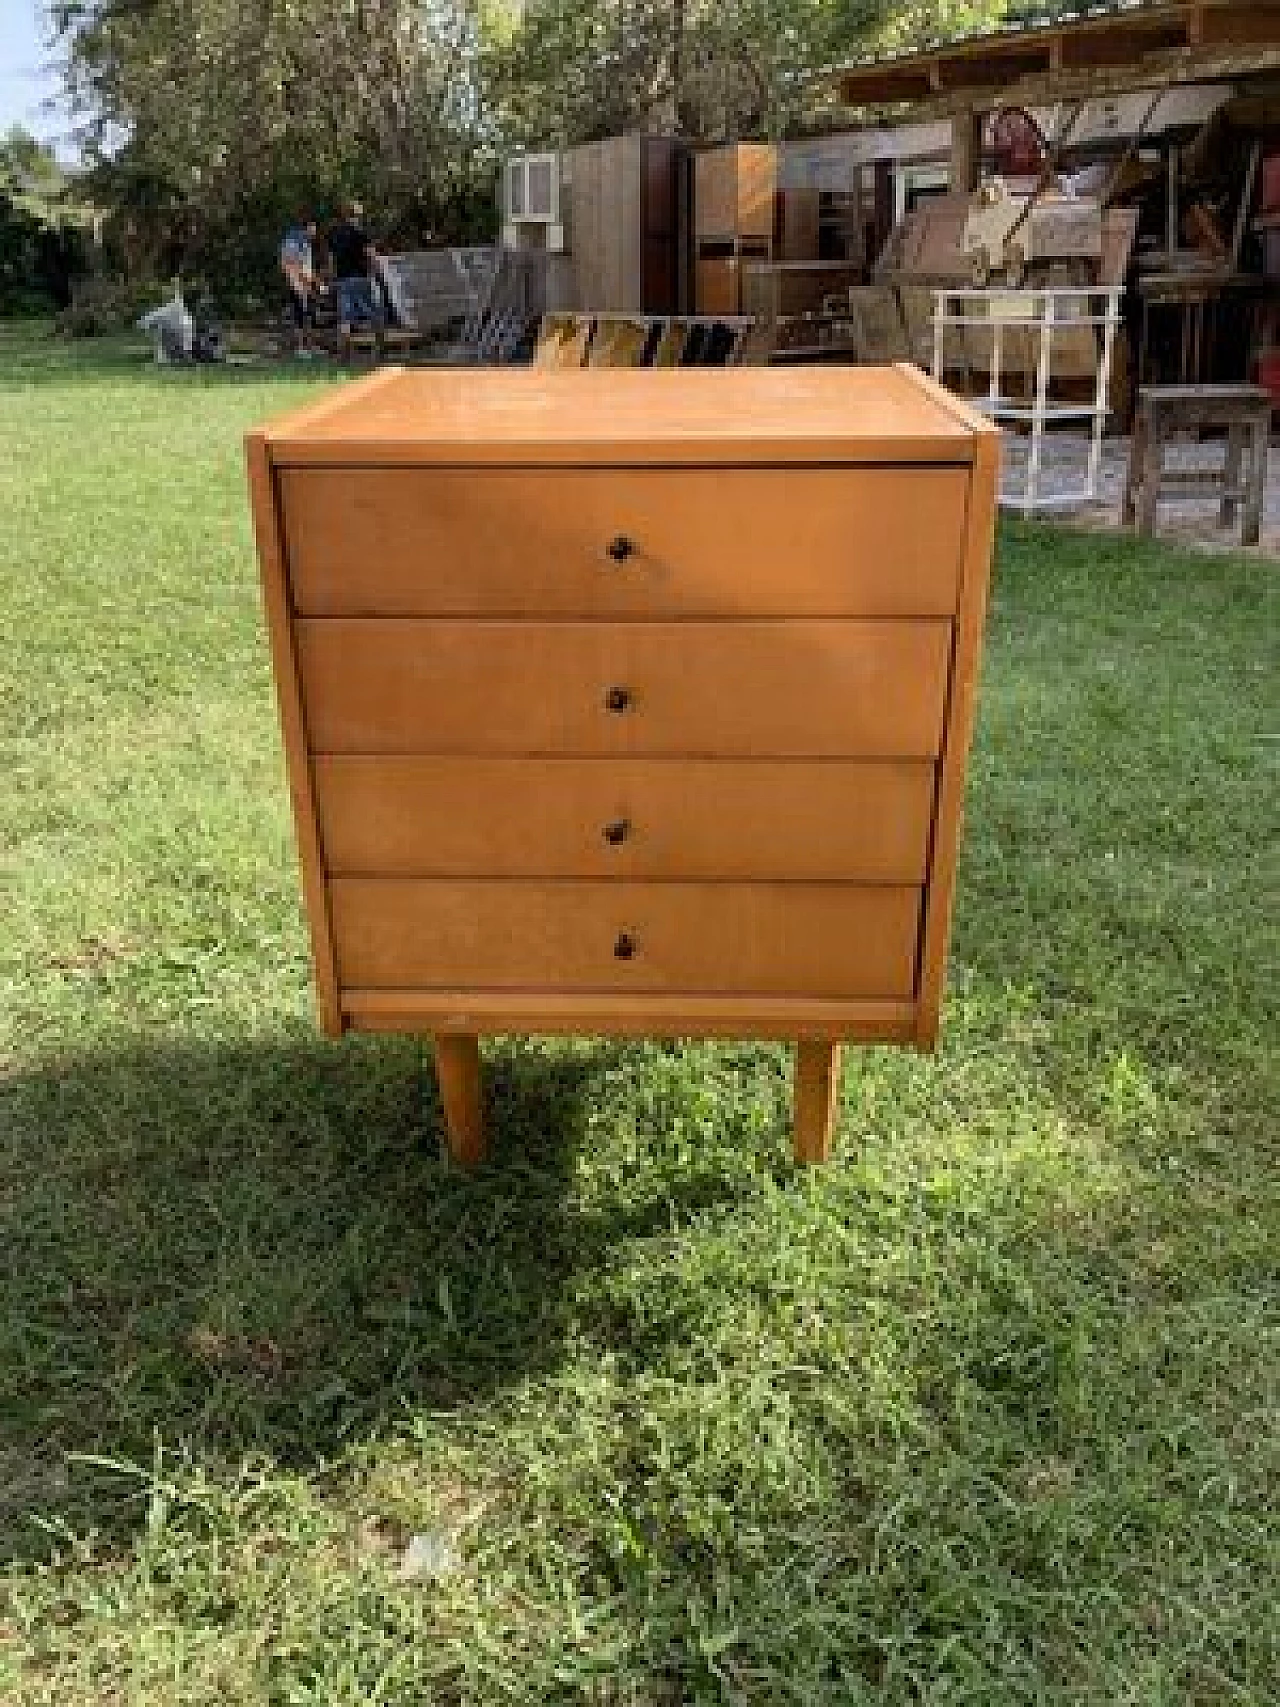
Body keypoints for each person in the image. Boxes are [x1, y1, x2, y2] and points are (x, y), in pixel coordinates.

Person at [326, 201, 384, 338]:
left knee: (345, 316)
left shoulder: (334, 233)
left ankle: (345, 353)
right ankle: (379, 346)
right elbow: (371, 255)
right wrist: (378, 273)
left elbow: (330, 259)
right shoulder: (361, 233)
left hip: (342, 279)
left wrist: (331, 278)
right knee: (372, 312)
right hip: (360, 277)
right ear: (356, 215)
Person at [279, 216, 318, 354]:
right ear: (306, 227)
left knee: (309, 316)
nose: (315, 232)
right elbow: (290, 263)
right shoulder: (293, 240)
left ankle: (310, 346)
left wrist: (313, 282)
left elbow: (307, 266)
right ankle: (301, 348)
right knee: (299, 317)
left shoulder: (306, 242)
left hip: (305, 284)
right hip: (297, 284)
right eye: (313, 228)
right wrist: (304, 281)